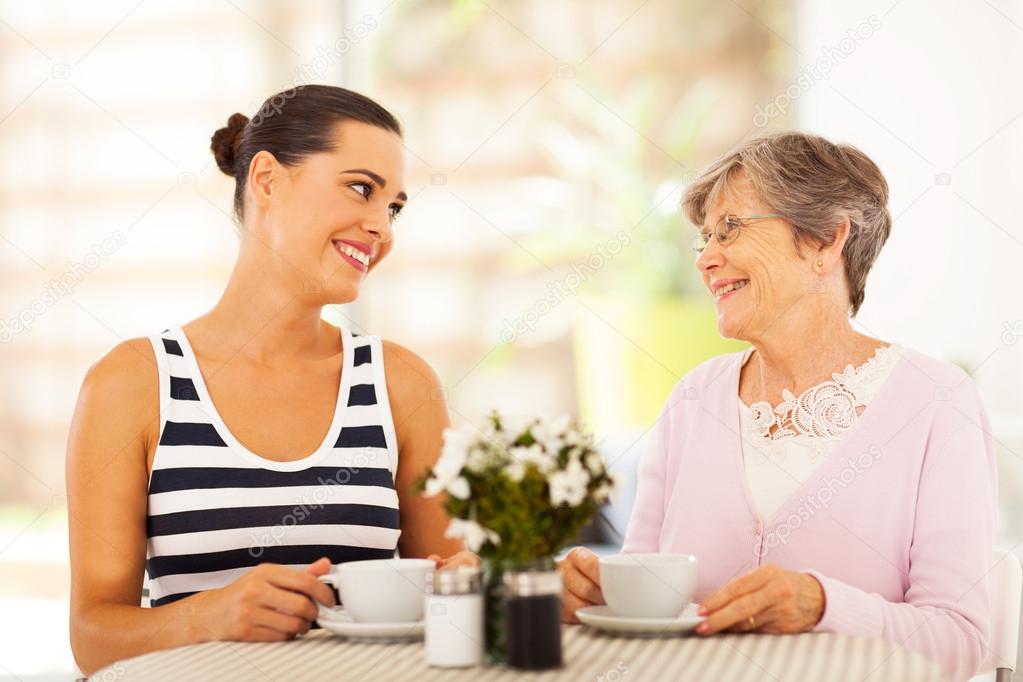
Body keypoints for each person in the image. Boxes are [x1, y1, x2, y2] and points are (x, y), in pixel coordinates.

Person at [559, 131, 998, 681]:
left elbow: (959, 643)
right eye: (704, 239)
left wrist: (822, 606)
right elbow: (644, 595)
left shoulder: (936, 402)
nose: (706, 260)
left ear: (825, 241)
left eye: (731, 229)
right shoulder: (693, 399)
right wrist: (588, 593)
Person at [67, 85, 471, 675]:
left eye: (394, 207)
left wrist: (514, 582)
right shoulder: (131, 384)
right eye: (362, 188)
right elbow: (92, 635)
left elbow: (452, 589)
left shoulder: (402, 384)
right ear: (266, 180)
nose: (381, 226)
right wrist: (208, 616)